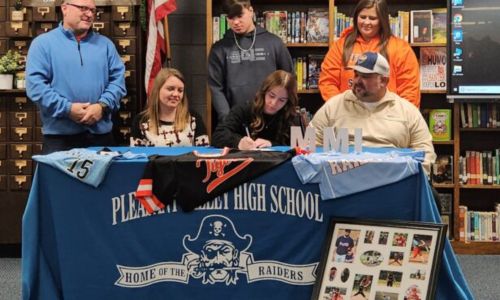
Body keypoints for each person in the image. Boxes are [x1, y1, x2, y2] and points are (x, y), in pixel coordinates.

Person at [26, 0, 126, 154]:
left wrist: (102, 106)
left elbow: (118, 82)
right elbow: (36, 86)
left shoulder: (106, 45)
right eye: (83, 8)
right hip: (59, 140)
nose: (89, 14)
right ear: (65, 9)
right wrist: (67, 109)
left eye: (93, 10)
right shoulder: (43, 44)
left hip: (100, 137)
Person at [310, 51, 436, 174]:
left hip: (392, 183)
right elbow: (310, 146)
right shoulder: (333, 107)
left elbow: (425, 154)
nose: (357, 81)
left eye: (365, 76)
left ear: (384, 81)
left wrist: (405, 181)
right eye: (356, 75)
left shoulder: (407, 111)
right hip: (344, 182)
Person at [318, 0, 420, 107]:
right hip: (349, 116)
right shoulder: (341, 46)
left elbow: (410, 89)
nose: (366, 22)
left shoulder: (400, 48)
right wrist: (340, 109)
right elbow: (328, 81)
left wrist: (397, 116)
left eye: (372, 18)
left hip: (388, 118)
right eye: (362, 17)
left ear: (382, 20)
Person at [208, 0, 293, 125]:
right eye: (230, 17)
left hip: (272, 121)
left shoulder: (274, 43)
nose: (236, 22)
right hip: (235, 121)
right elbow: (216, 88)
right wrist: (228, 120)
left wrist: (283, 113)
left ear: (251, 11)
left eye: (240, 15)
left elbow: (289, 80)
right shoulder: (219, 49)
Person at [211, 70, 299, 150]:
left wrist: (272, 144)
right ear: (264, 92)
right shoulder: (243, 110)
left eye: (281, 100)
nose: (273, 103)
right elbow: (218, 136)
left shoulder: (290, 117)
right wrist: (238, 142)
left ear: (288, 102)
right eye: (271, 96)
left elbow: (297, 146)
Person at [130, 68, 209, 147]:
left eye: (180, 90)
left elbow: (204, 154)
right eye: (170, 89)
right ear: (157, 90)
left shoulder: (194, 118)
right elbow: (136, 156)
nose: (176, 94)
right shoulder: (140, 121)